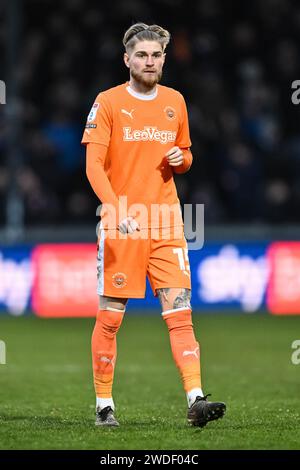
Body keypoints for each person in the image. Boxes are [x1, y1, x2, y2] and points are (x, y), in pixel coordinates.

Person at [82, 22, 226, 427]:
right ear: (126, 59)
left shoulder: (175, 101)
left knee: (180, 314)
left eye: (156, 55)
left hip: (166, 222)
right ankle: (104, 405)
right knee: (110, 317)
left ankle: (196, 399)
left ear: (164, 58)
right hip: (122, 222)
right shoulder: (107, 102)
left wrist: (184, 159)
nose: (149, 61)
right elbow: (93, 165)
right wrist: (115, 208)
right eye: (141, 55)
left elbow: (185, 153)